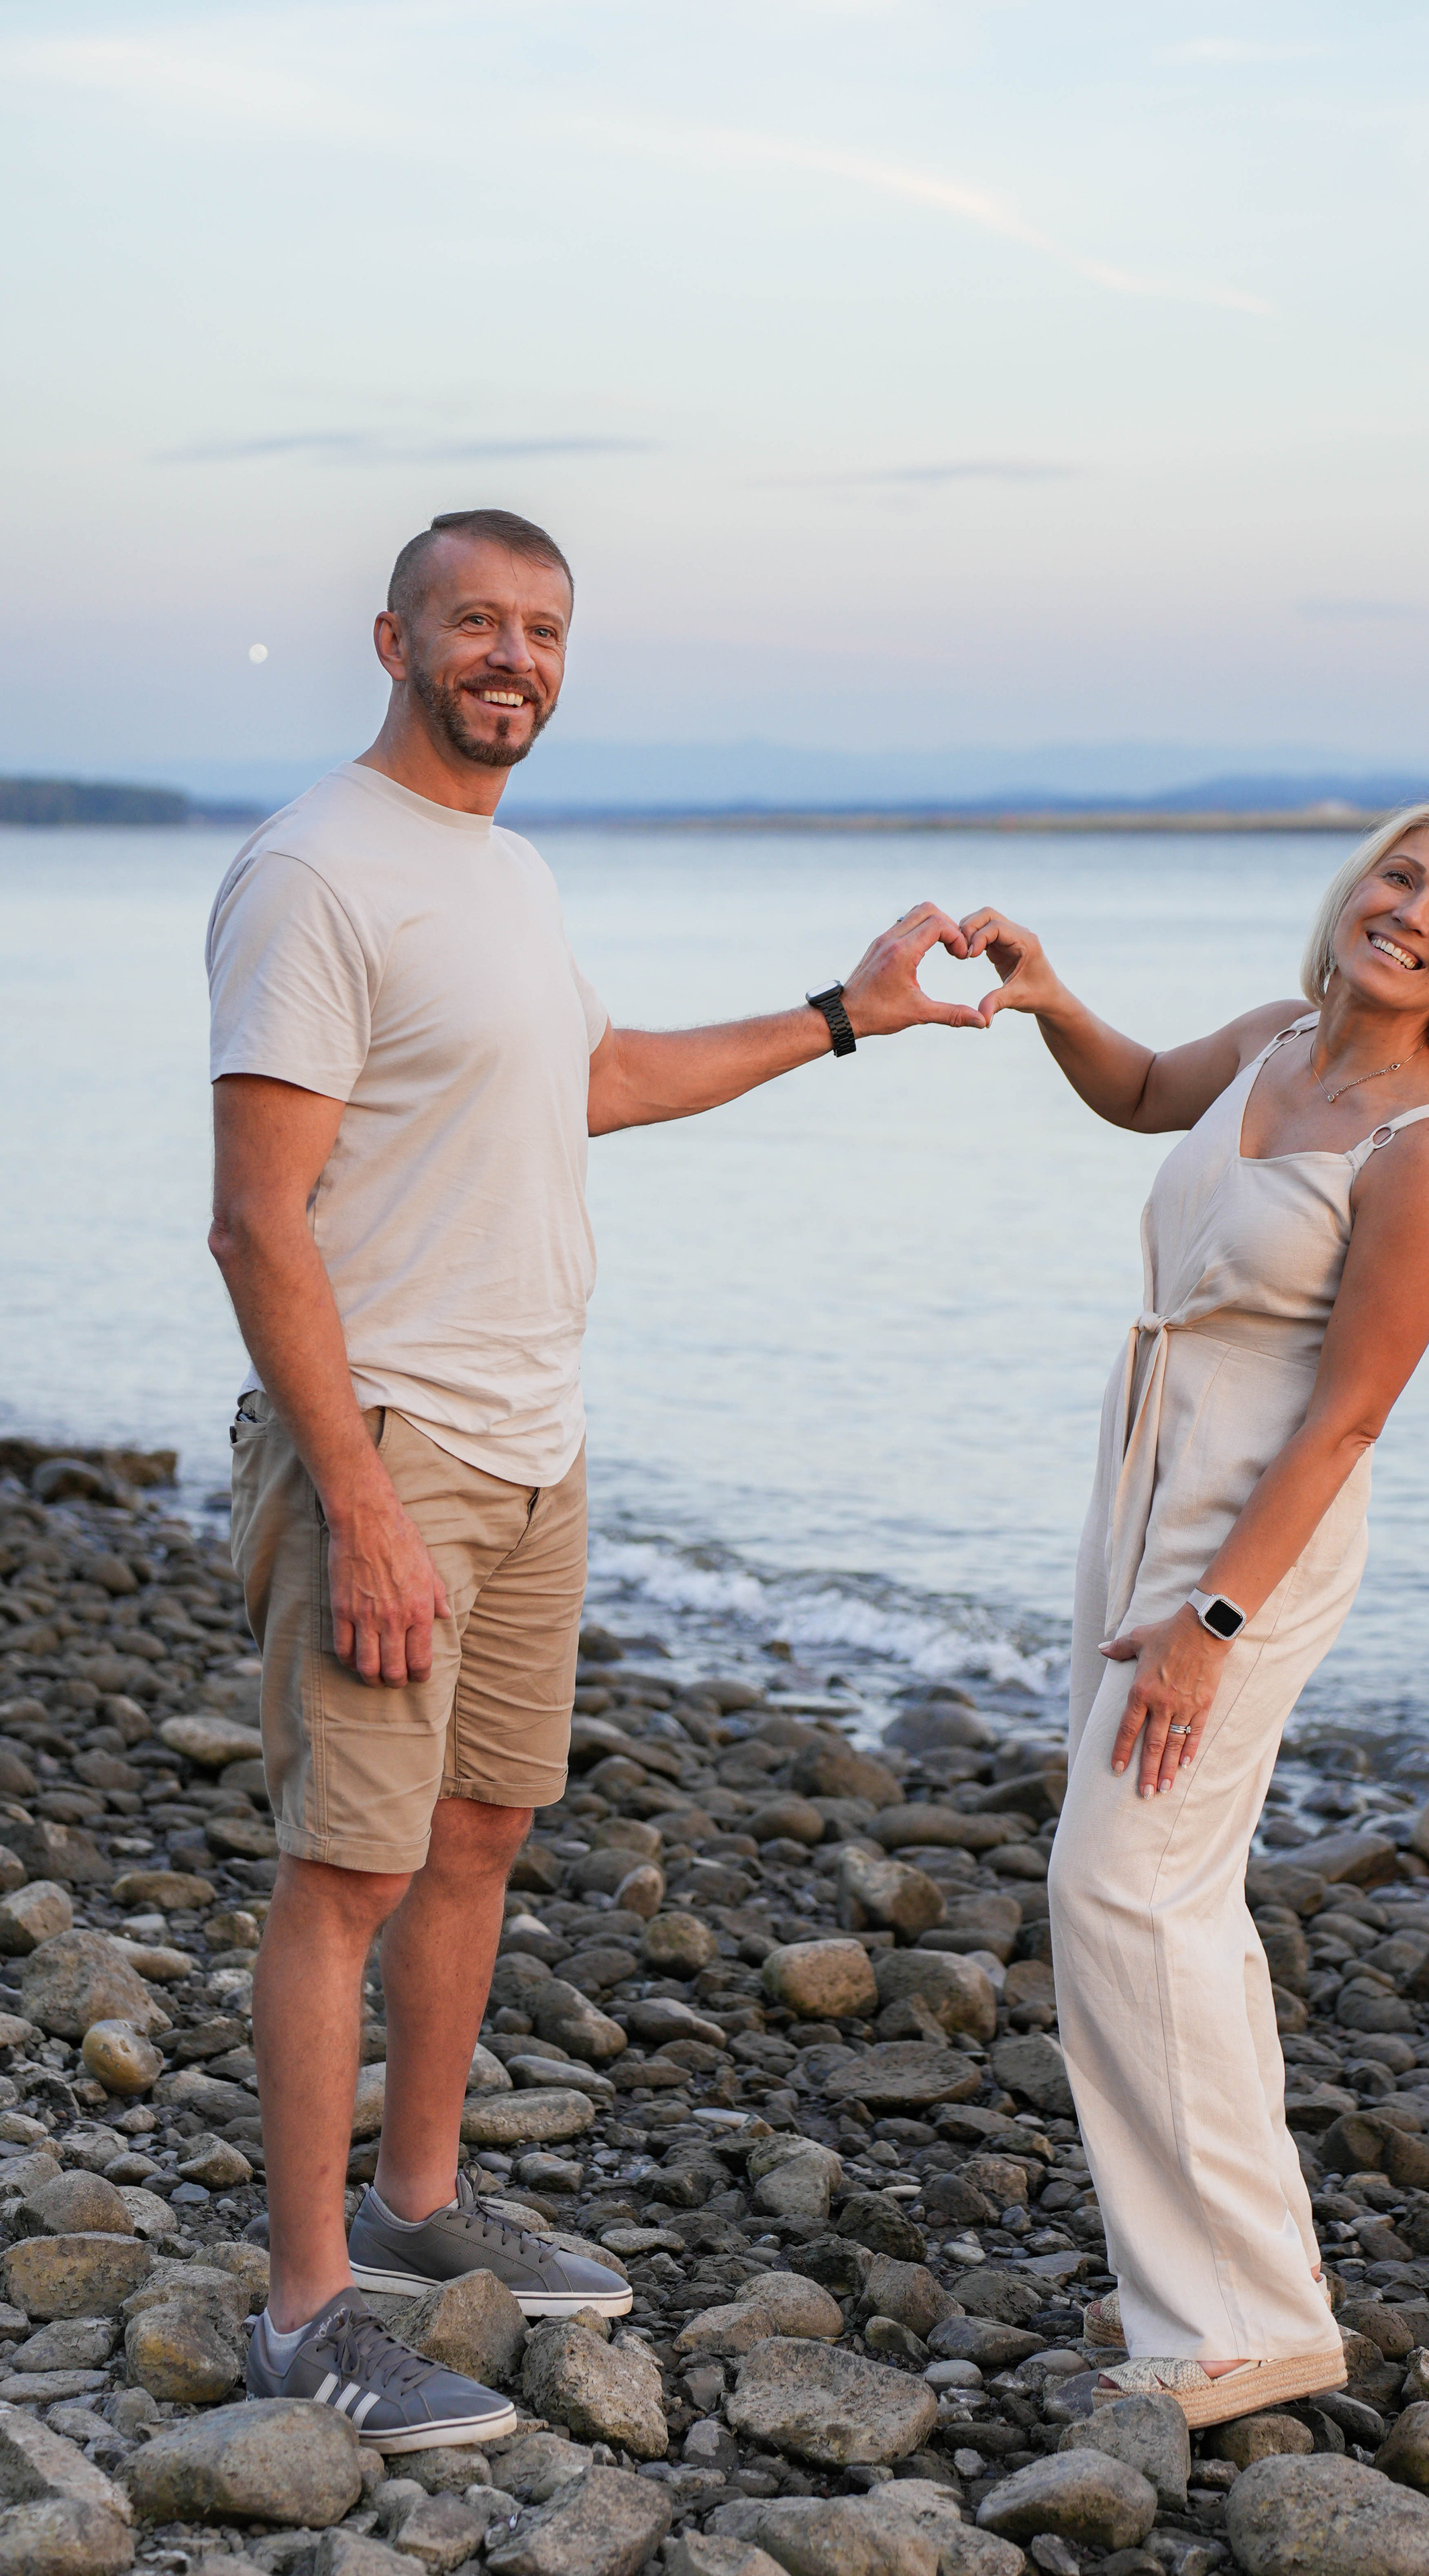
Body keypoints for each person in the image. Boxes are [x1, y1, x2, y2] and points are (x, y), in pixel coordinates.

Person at [206, 506, 984, 2449]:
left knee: (478, 1831)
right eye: (477, 621)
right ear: (393, 637)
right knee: (348, 1867)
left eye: (544, 629)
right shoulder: (315, 869)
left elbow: (594, 1078)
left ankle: (417, 2205)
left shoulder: (507, 872)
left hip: (534, 1439)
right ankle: (304, 2315)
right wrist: (363, 1502)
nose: (514, 656)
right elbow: (254, 1224)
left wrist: (840, 1018)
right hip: (388, 1442)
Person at [957, 804, 1429, 2426]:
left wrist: (1210, 1622)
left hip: (1244, 1538)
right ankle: (1231, 2304)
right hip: (1139, 1480)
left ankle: (1242, 2322)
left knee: (1119, 1882)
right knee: (1169, 1899)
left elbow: (1348, 1416)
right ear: (1353, 891)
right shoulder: (1277, 1040)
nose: (1411, 912)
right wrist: (1053, 993)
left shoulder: (1424, 1147)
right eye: (1398, 876)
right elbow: (1141, 1092)